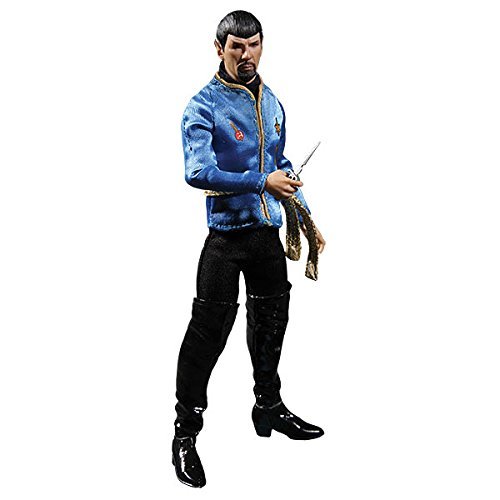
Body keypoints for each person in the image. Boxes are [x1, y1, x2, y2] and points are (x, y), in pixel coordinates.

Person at [172, 10, 326, 488]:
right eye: (236, 46)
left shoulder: (273, 100)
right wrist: (263, 181)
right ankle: (185, 432)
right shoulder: (203, 106)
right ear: (219, 48)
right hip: (225, 239)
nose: (246, 54)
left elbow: (277, 159)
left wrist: (299, 203)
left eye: (253, 44)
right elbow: (198, 172)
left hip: (264, 234)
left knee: (272, 323)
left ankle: (269, 406)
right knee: (207, 334)